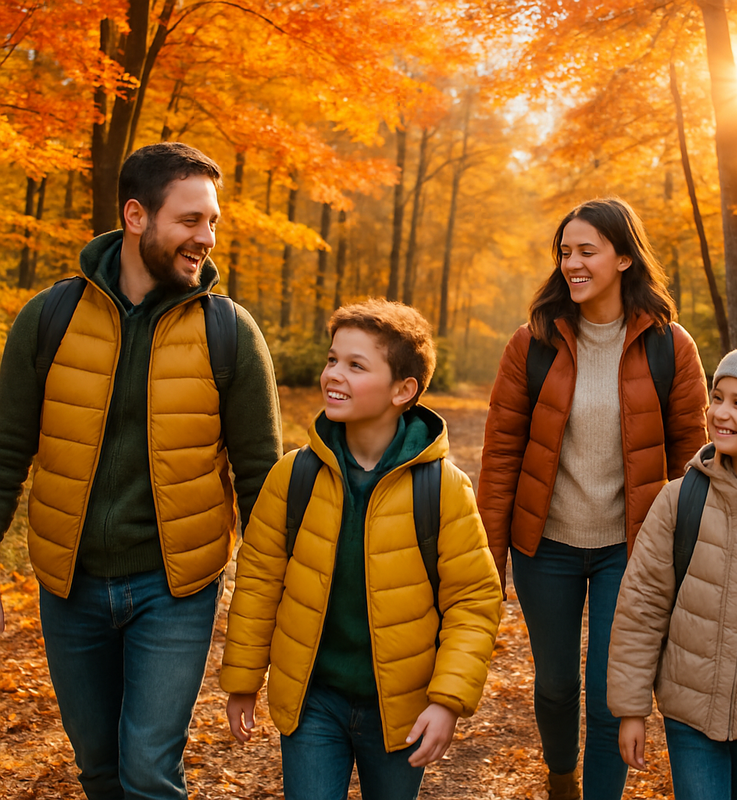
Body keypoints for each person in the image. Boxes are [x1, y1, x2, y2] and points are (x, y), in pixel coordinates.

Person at [0, 142, 282, 799]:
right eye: (190, 221)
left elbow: (263, 481)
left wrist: (279, 604)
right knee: (99, 770)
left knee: (149, 771)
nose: (206, 238)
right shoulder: (48, 318)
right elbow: (7, 453)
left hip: (174, 590)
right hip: (69, 586)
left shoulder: (230, 334)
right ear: (135, 216)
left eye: (212, 222)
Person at [220, 298, 503, 800]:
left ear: (403, 390)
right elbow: (259, 580)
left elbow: (473, 602)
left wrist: (447, 700)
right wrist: (243, 679)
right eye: (333, 359)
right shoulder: (294, 476)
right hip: (313, 700)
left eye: (356, 365)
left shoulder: (443, 489)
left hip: (401, 708)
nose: (334, 375)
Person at [477, 197, 708, 800]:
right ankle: (561, 776)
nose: (572, 264)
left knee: (614, 694)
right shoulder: (531, 343)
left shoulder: (670, 346)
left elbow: (694, 456)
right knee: (554, 686)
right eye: (565, 252)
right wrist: (488, 559)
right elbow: (500, 453)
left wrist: (687, 555)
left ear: (625, 257)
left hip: (628, 553)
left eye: (587, 251)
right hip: (544, 546)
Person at [608, 345, 737, 800]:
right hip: (688, 710)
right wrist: (631, 710)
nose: (720, 413)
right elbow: (642, 607)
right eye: (717, 398)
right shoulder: (681, 499)